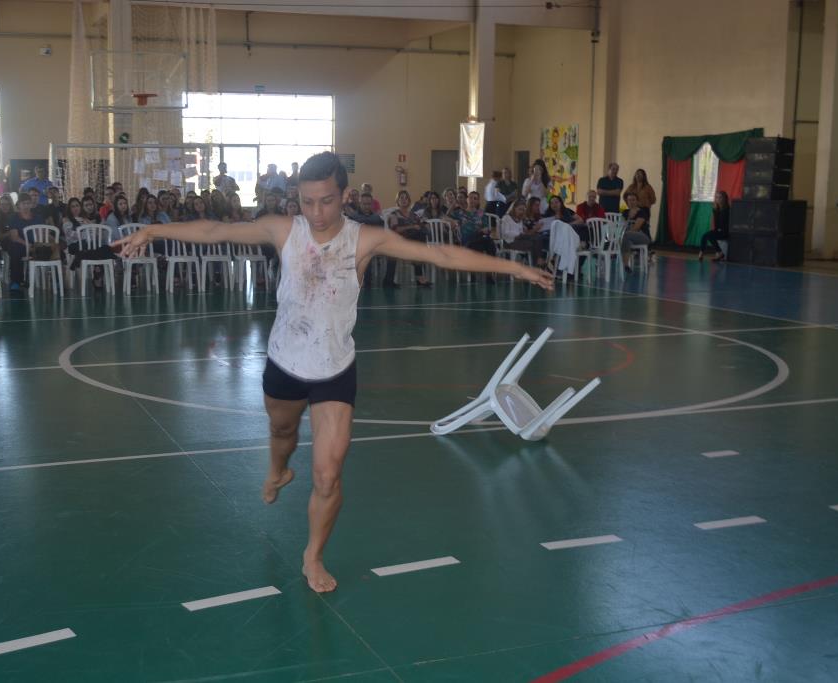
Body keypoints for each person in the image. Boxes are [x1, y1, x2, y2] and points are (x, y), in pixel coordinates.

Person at [114, 151, 554, 593]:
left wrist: (514, 267)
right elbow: (214, 231)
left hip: (335, 371)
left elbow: (439, 254)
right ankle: (277, 469)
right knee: (282, 432)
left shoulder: (365, 239)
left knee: (327, 474)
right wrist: (152, 230)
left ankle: (313, 555)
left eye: (326, 201)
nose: (316, 212)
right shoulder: (284, 229)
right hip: (284, 363)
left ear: (344, 195)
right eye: (307, 202)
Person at [386, 189, 432, 288]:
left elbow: (421, 223)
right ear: (397, 201)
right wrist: (411, 227)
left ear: (409, 201)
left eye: (406, 198)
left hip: (412, 242)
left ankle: (420, 278)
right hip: (398, 242)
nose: (404, 200)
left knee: (421, 236)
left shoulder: (413, 215)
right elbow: (395, 230)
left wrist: (425, 224)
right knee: (419, 241)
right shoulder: (394, 214)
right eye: (401, 198)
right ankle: (420, 278)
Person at [620, 191, 651, 273]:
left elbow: (635, 228)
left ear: (637, 201)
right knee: (626, 240)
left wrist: (624, 231)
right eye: (629, 200)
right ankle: (626, 266)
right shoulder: (625, 212)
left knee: (625, 235)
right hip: (628, 236)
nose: (631, 202)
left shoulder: (642, 212)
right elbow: (620, 225)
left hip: (643, 236)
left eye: (633, 200)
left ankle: (624, 264)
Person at [699, 190, 730, 261]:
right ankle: (701, 253)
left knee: (709, 235)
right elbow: (717, 224)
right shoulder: (716, 209)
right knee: (705, 235)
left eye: (720, 197)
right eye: (717, 197)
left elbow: (724, 223)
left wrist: (718, 230)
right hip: (719, 231)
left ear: (724, 199)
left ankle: (719, 252)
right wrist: (716, 230)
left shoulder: (727, 209)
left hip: (725, 232)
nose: (718, 199)